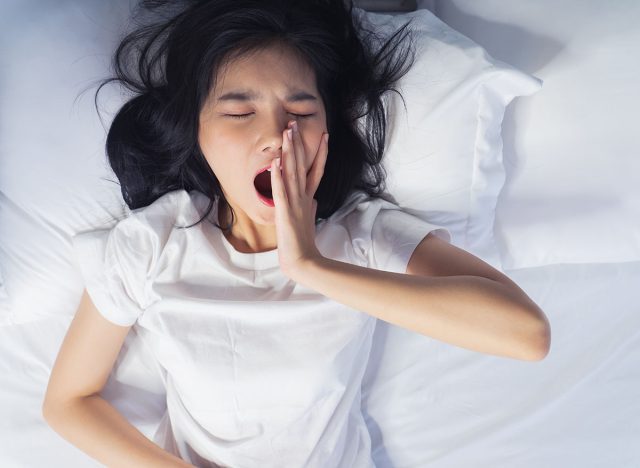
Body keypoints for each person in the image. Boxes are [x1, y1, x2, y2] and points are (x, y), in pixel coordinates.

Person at [42, 1, 551, 467]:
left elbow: (526, 335)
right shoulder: (154, 243)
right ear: (195, 132)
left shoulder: (361, 235)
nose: (274, 137)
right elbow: (68, 402)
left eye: (302, 112)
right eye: (240, 112)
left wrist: (309, 265)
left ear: (327, 130)